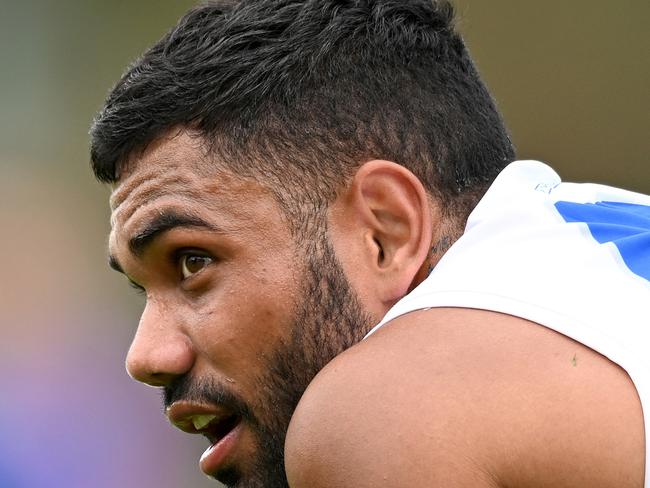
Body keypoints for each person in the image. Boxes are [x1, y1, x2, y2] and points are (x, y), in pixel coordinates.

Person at [90, 1, 649, 487]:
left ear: (385, 232)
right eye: (143, 288)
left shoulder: (388, 409)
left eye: (193, 262)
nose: (146, 357)